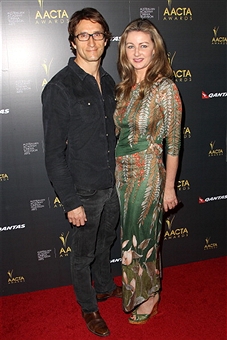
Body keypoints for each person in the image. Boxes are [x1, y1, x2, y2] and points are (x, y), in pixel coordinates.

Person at [42, 8, 121, 337]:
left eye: (98, 34)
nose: (91, 41)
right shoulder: (60, 88)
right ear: (72, 42)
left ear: (106, 40)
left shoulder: (109, 82)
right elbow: (53, 153)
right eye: (83, 35)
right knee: (82, 253)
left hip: (112, 185)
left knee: (107, 241)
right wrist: (71, 201)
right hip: (84, 191)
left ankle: (104, 285)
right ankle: (89, 307)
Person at [114, 18, 182, 324]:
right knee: (129, 236)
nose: (137, 52)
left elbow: (174, 142)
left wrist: (169, 187)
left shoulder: (165, 87)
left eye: (144, 45)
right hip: (122, 174)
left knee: (144, 235)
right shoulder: (124, 87)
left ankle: (150, 295)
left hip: (148, 174)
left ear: (155, 49)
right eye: (130, 45)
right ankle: (138, 290)